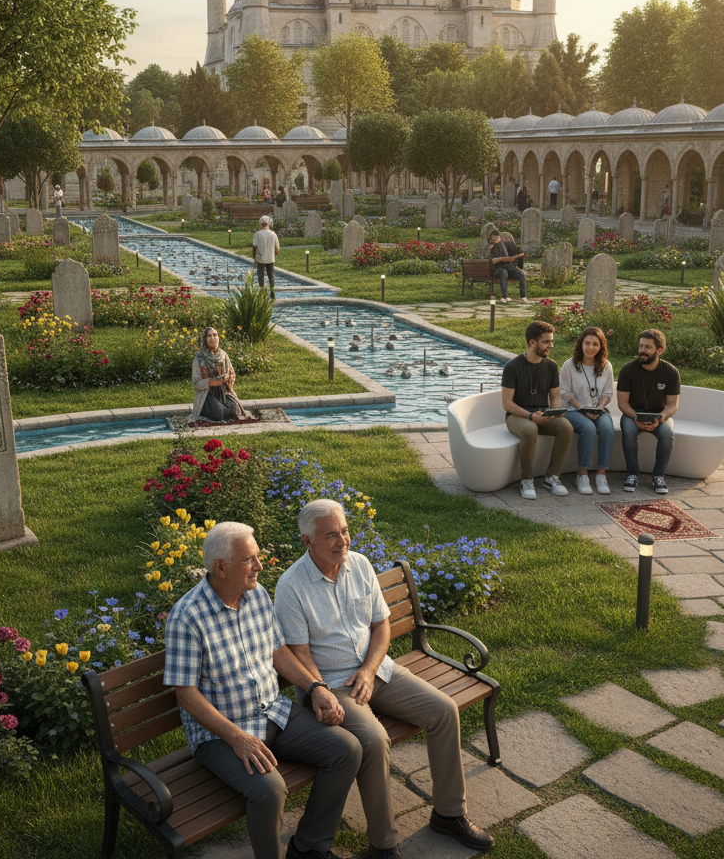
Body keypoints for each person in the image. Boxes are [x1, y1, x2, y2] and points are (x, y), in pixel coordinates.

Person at [274, 500, 494, 858]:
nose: (342, 540)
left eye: (344, 531)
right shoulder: (291, 586)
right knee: (375, 741)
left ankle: (449, 814)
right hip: (331, 686)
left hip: (376, 670)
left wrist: (369, 669)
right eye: (331, 535)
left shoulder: (359, 565)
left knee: (443, 710)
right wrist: (323, 691)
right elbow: (299, 654)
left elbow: (381, 625)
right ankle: (384, 845)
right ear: (307, 541)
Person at [165, 522, 361, 859]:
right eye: (249, 560)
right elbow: (186, 695)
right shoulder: (187, 617)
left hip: (271, 711)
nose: (259, 566)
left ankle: (309, 847)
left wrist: (315, 687)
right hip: (222, 734)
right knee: (270, 790)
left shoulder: (255, 595)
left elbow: (278, 652)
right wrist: (237, 738)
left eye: (257, 557)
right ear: (221, 568)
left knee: (348, 749)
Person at [501, 321, 573, 499]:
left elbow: (555, 396)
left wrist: (555, 412)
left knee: (565, 426)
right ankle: (527, 479)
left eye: (551, 341)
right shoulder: (512, 367)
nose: (551, 346)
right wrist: (531, 416)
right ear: (532, 342)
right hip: (517, 416)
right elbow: (507, 403)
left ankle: (552, 476)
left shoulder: (551, 366)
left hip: (542, 414)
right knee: (530, 429)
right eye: (546, 342)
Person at [616, 329, 681, 494]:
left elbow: (672, 405)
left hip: (659, 414)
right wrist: (635, 417)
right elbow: (622, 403)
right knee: (629, 430)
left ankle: (658, 476)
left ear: (659, 350)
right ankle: (632, 474)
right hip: (633, 413)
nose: (642, 351)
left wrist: (661, 418)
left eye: (647, 347)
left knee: (667, 434)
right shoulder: (628, 370)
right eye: (641, 346)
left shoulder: (671, 372)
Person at [560, 326, 615, 495]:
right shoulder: (569, 365)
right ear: (581, 344)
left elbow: (607, 393)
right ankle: (582, 475)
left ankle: (601, 475)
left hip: (598, 409)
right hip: (573, 409)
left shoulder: (606, 366)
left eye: (595, 344)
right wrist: (582, 409)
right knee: (588, 428)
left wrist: (598, 409)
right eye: (587, 343)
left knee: (607, 428)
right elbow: (565, 393)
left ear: (601, 347)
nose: (590, 348)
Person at [191, 326, 250, 424]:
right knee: (219, 414)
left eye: (215, 335)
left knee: (236, 412)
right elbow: (196, 383)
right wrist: (211, 382)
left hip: (224, 392)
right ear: (205, 339)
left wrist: (228, 382)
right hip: (207, 395)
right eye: (209, 336)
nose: (212, 338)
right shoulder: (199, 358)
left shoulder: (223, 355)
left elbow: (231, 373)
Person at [487, 229, 528, 303]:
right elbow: (493, 261)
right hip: (498, 270)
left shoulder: (505, 245)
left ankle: (523, 297)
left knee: (521, 274)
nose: (495, 239)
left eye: (496, 237)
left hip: (509, 268)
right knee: (503, 272)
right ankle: (504, 297)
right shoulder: (492, 248)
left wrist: (514, 258)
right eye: (493, 238)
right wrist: (507, 259)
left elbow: (511, 257)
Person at [252, 215, 280, 300]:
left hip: (260, 258)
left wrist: (254, 257)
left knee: (261, 276)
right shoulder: (273, 234)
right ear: (268, 224)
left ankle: (262, 293)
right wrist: (273, 254)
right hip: (270, 258)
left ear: (261, 224)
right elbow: (277, 248)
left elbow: (254, 247)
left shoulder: (258, 234)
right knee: (271, 276)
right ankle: (272, 292)